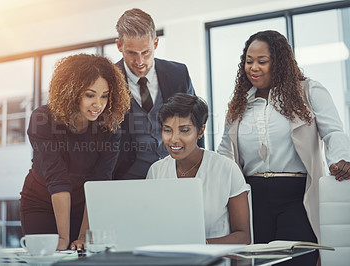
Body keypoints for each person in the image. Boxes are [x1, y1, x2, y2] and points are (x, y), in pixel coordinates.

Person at [217, 30, 350, 265]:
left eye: (262, 61)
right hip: (253, 198)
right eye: (249, 61)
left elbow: (333, 131)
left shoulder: (308, 91)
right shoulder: (239, 104)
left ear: (279, 63)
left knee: (297, 260)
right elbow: (225, 152)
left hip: (296, 197)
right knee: (257, 261)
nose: (253, 67)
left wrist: (341, 159)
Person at [19, 54, 131, 251]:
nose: (98, 104)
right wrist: (63, 238)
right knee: (47, 257)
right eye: (90, 95)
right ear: (71, 92)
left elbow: (99, 181)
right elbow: (57, 178)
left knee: (82, 254)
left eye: (104, 95)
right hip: (42, 201)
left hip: (84, 204)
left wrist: (82, 236)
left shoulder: (110, 129)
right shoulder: (43, 119)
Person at [147, 93, 251, 244]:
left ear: (201, 131)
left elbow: (243, 236)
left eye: (184, 130)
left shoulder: (226, 169)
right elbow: (151, 228)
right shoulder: (156, 171)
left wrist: (201, 246)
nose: (174, 139)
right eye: (167, 130)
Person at [112, 8, 202, 180]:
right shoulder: (108, 80)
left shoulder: (178, 73)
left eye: (146, 52)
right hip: (126, 177)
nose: (139, 62)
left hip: (175, 173)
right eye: (131, 53)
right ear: (119, 46)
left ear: (155, 44)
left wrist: (197, 169)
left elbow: (195, 120)